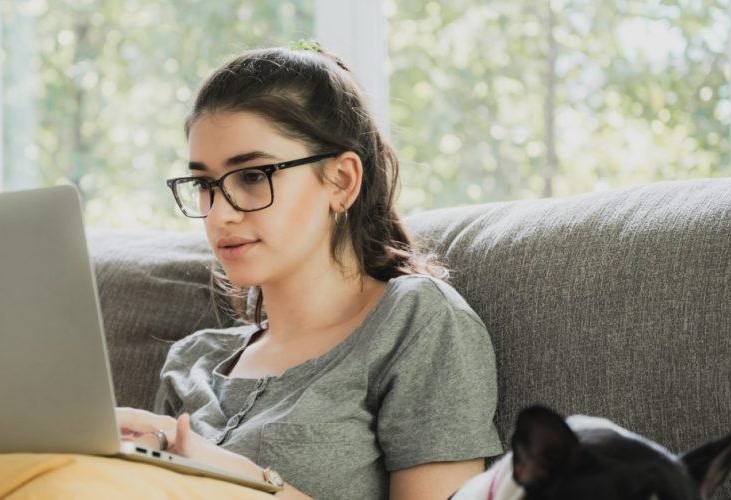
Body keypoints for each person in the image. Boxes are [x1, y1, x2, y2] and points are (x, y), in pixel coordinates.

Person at [115, 42, 503, 499]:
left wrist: (245, 480)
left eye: (253, 176)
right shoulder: (192, 361)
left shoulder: (416, 322)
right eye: (204, 184)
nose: (219, 216)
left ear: (341, 181)